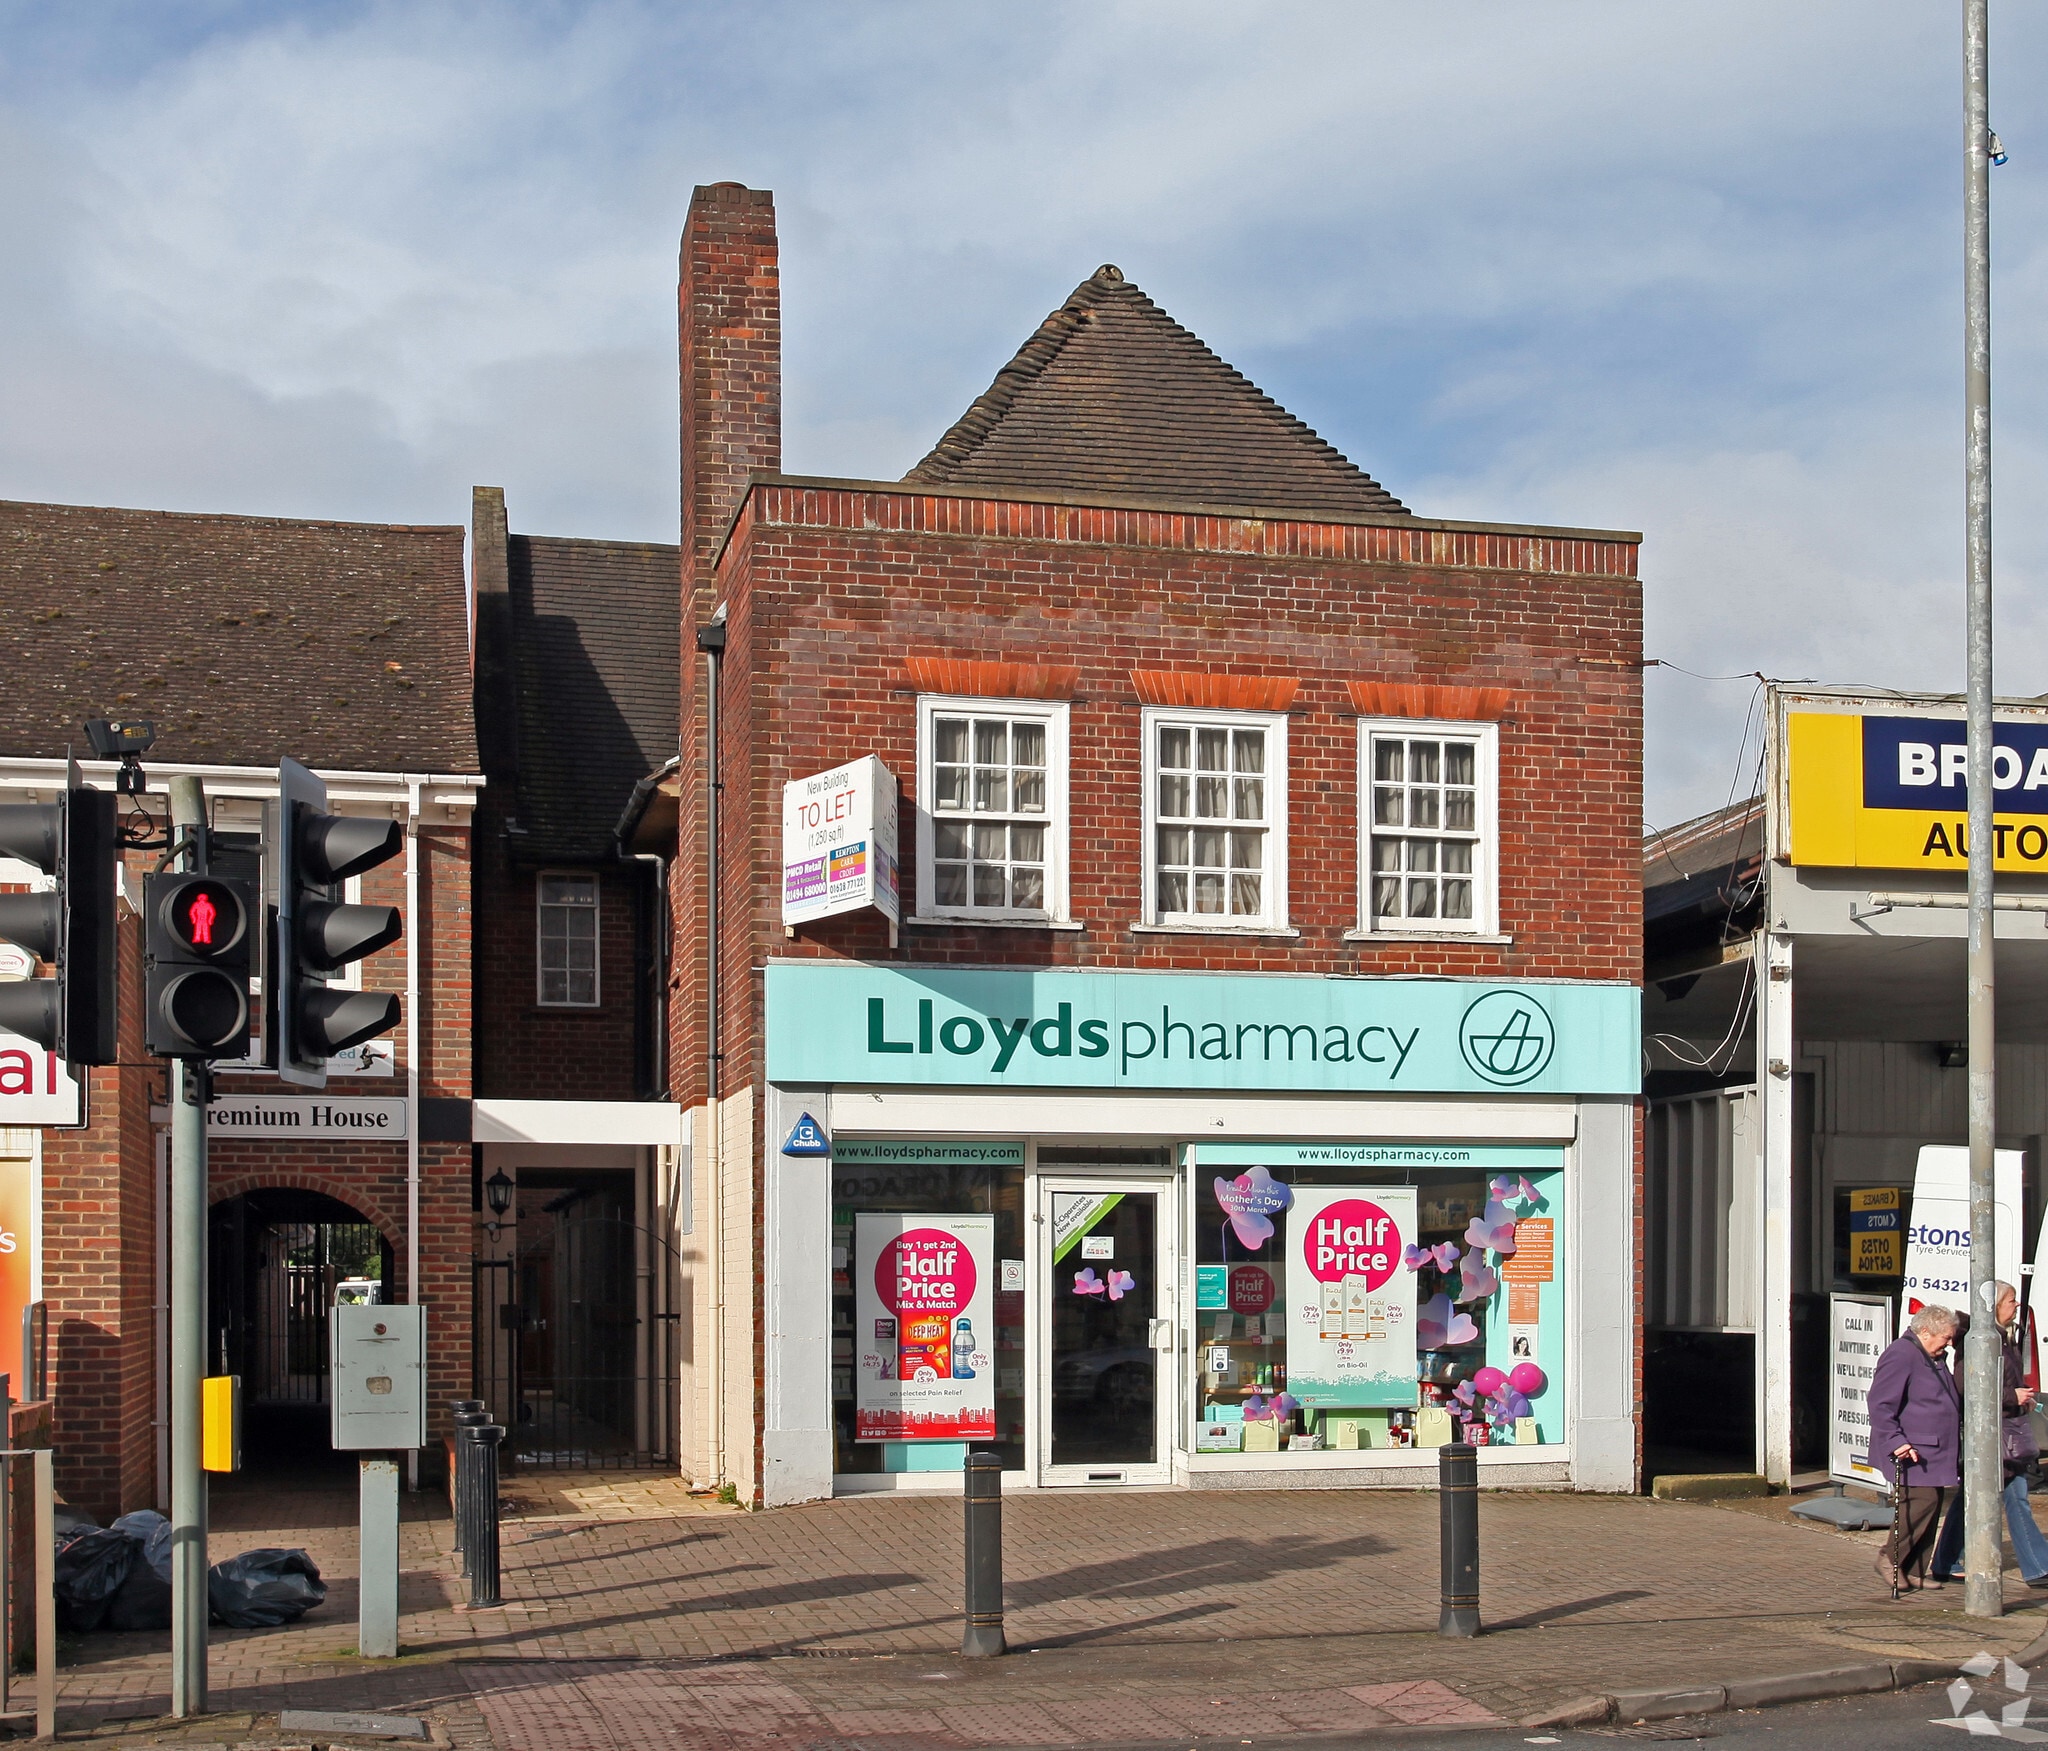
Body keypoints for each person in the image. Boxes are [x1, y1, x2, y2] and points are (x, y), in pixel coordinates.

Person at [1926, 1282, 2048, 1588]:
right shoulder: (1979, 1340)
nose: (2016, 1305)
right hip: (1992, 1433)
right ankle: (2037, 1567)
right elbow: (1968, 1386)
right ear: (1994, 1306)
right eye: (2011, 1300)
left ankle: (1943, 1562)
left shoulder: (2004, 1338)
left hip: (2006, 1429)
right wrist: (2012, 1396)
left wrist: (2023, 1397)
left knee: (1972, 1498)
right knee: (2015, 1496)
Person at [1866, 1303, 1963, 1594]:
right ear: (1924, 1331)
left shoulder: (1933, 1355)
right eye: (1945, 1337)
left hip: (1934, 1450)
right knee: (1920, 1503)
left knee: (1933, 1505)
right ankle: (1890, 1558)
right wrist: (1896, 1441)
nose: (1949, 1343)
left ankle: (1915, 1568)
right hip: (1913, 1449)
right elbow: (1881, 1403)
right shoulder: (1902, 1354)